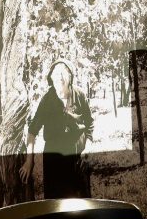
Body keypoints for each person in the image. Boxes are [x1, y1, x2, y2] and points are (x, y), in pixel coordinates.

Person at [21, 60, 94, 199]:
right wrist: (29, 161)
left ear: (70, 77)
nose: (59, 77)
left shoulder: (80, 95)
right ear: (51, 78)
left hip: (78, 158)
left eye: (63, 73)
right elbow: (32, 132)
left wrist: (87, 150)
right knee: (55, 203)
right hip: (54, 161)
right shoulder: (47, 100)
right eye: (56, 74)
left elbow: (90, 123)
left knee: (82, 202)